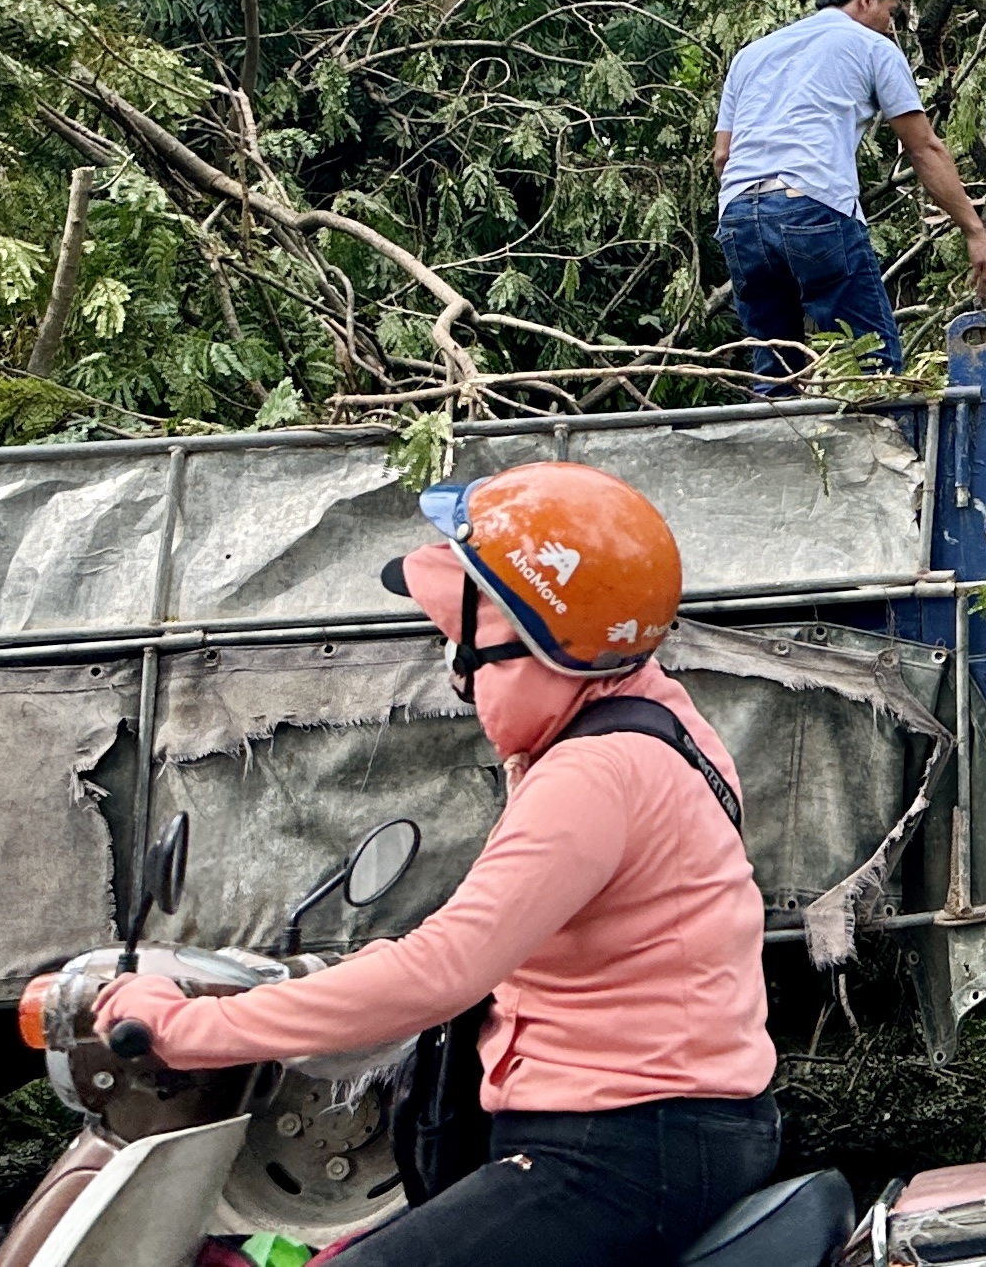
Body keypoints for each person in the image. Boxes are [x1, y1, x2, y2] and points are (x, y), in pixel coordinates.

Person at [94, 464, 779, 1266]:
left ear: (533, 643)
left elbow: (444, 971)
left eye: (469, 651)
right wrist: (310, 984)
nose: (459, 678)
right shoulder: (664, 728)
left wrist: (188, 1030)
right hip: (659, 1137)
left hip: (621, 1152)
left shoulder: (595, 774)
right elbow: (483, 940)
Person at [712, 0, 986, 385]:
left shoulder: (752, 55)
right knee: (871, 364)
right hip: (810, 204)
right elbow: (924, 148)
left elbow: (722, 156)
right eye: (891, 13)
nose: (891, 27)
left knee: (775, 370)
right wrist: (974, 231)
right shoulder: (871, 47)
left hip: (738, 214)